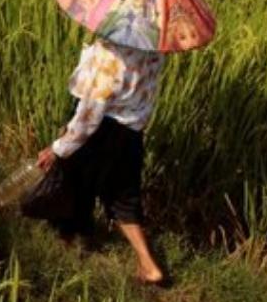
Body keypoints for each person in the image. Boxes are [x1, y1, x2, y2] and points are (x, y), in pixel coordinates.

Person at [32, 37, 169, 286]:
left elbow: (89, 116)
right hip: (131, 132)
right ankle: (148, 264)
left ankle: (67, 245)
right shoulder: (154, 49)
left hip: (102, 129)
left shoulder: (109, 55)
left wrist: (57, 148)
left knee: (74, 183)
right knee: (124, 197)